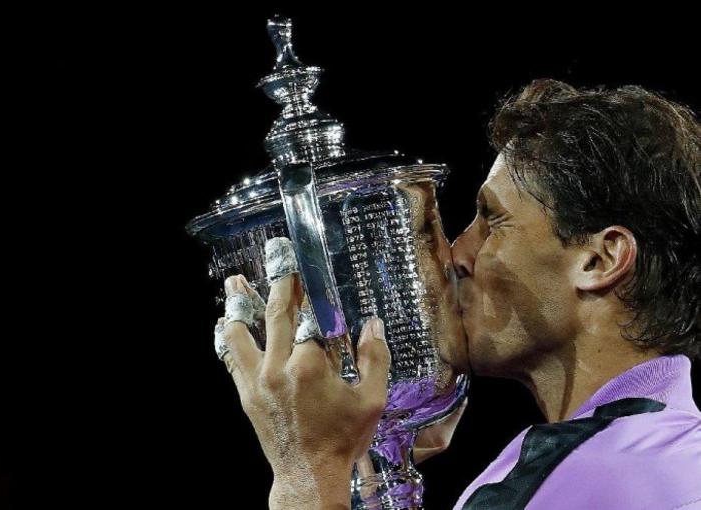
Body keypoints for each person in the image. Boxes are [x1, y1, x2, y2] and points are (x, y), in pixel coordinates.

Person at [212, 79, 701, 509]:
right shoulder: (642, 450)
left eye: (493, 221)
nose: (457, 254)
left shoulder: (608, 474)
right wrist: (376, 465)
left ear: (599, 260)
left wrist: (307, 473)